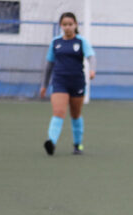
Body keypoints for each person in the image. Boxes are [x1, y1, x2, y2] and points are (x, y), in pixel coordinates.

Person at [39, 12, 96, 156]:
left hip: (77, 82)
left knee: (76, 114)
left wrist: (92, 70)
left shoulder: (81, 42)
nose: (68, 27)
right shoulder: (56, 42)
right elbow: (48, 65)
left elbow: (91, 57)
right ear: (61, 26)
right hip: (59, 82)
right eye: (65, 24)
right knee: (58, 112)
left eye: (70, 24)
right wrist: (44, 85)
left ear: (75, 25)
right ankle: (51, 142)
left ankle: (78, 144)